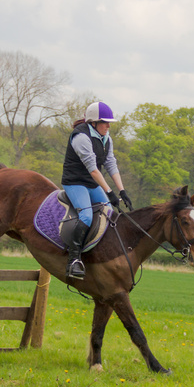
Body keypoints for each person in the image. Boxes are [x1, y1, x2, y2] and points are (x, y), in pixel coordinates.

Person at [61, 101, 134, 279]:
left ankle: (97, 254)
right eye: (105, 122)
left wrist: (122, 191)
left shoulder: (107, 139)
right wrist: (109, 191)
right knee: (86, 215)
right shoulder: (81, 137)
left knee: (108, 213)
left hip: (92, 184)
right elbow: (93, 168)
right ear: (93, 123)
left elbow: (110, 164)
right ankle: (74, 260)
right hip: (75, 182)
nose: (108, 126)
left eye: (109, 123)